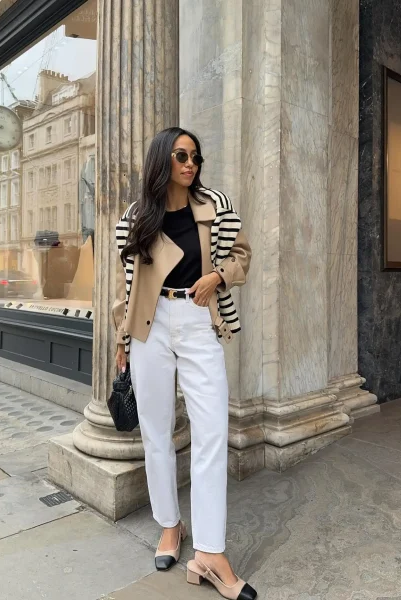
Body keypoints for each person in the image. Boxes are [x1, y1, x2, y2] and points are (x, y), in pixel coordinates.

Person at [112, 127, 256, 600]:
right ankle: (170, 527)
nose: (190, 163)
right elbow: (130, 286)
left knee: (211, 429)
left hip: (197, 319)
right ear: (162, 160)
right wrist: (122, 340)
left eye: (195, 155)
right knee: (156, 431)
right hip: (150, 328)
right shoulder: (136, 217)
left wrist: (217, 275)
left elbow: (241, 255)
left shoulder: (216, 205)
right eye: (180, 155)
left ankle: (211, 553)